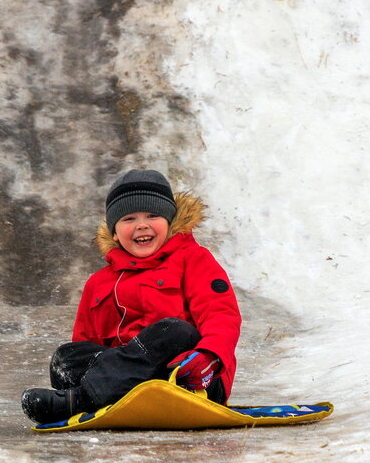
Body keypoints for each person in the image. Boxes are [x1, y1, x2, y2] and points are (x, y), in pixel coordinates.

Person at [21, 169, 241, 424]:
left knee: (174, 331)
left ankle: (81, 400)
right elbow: (86, 342)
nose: (142, 225)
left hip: (190, 379)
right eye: (129, 218)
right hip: (125, 383)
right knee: (66, 357)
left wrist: (210, 356)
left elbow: (221, 314)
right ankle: (100, 394)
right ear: (114, 232)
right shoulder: (98, 282)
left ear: (170, 222)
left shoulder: (193, 259)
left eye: (153, 215)